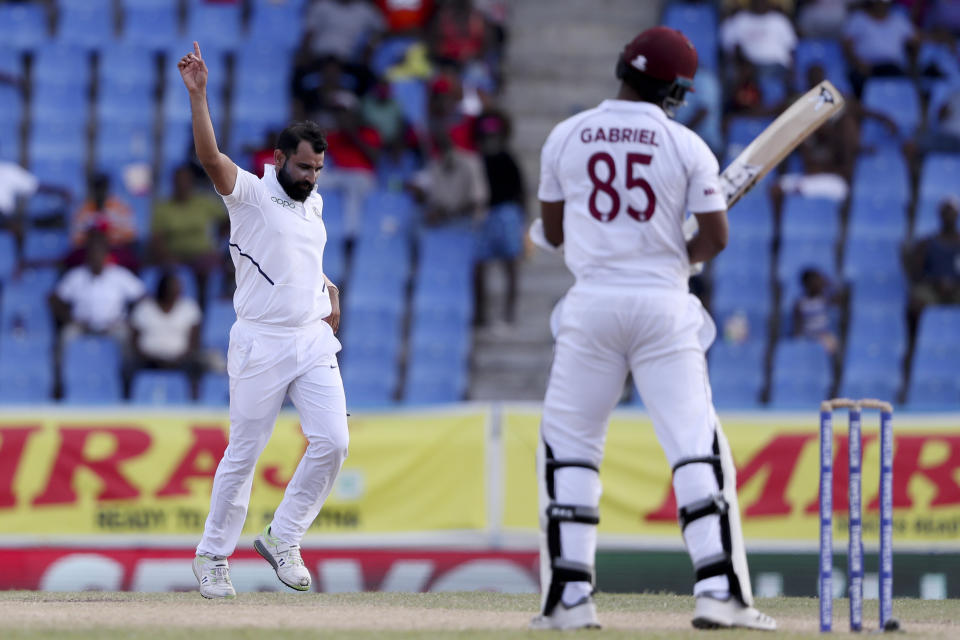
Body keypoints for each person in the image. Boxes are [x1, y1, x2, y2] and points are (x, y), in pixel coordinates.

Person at [527, 27, 776, 630]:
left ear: (622, 69)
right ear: (677, 91)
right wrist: (678, 253)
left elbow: (555, 235)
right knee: (693, 444)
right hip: (664, 305)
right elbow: (715, 238)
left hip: (592, 306)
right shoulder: (687, 144)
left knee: (571, 446)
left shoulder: (566, 135)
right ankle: (719, 590)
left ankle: (568, 598)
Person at [178, 41, 348, 599]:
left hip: (312, 338)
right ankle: (212, 555)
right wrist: (199, 97)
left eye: (318, 168)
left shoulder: (314, 201)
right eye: (303, 166)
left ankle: (284, 536)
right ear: (279, 159)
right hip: (260, 341)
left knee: (334, 442)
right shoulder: (249, 193)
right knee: (244, 453)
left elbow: (301, 255)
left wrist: (326, 289)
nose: (311, 176)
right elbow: (209, 159)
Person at [149, 165, 228, 303]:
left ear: (191, 183)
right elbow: (157, 238)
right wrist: (166, 256)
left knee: (207, 269)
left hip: (202, 254)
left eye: (185, 181)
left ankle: (202, 308)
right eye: (178, 181)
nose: (182, 185)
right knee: (168, 276)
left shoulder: (204, 202)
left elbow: (229, 220)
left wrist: (220, 240)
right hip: (173, 256)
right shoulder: (163, 207)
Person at [128, 270, 205, 398]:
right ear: (162, 288)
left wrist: (178, 359)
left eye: (178, 287)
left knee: (197, 368)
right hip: (148, 360)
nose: (176, 290)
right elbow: (134, 341)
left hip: (180, 361)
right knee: (128, 368)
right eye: (172, 286)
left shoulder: (189, 308)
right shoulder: (144, 308)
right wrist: (152, 358)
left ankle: (193, 405)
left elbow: (194, 342)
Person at [907, 196, 960, 337]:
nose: (949, 216)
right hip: (933, 289)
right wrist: (936, 283)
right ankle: (914, 341)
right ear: (940, 215)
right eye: (946, 212)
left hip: (957, 290)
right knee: (915, 303)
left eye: (952, 212)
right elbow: (916, 275)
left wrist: (953, 285)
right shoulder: (926, 243)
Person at [67, 173, 139, 271]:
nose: (100, 192)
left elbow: (131, 235)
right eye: (97, 188)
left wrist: (108, 235)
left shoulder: (120, 208)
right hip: (90, 252)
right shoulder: (83, 210)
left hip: (115, 250)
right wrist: (94, 238)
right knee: (72, 259)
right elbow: (76, 240)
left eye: (102, 188)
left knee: (131, 260)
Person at [792, 267, 842, 355]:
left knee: (833, 344)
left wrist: (830, 284)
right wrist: (797, 339)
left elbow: (840, 301)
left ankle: (833, 365)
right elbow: (797, 324)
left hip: (823, 334)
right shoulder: (800, 303)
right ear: (806, 285)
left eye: (819, 281)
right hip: (807, 336)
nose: (818, 284)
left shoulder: (824, 299)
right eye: (814, 282)